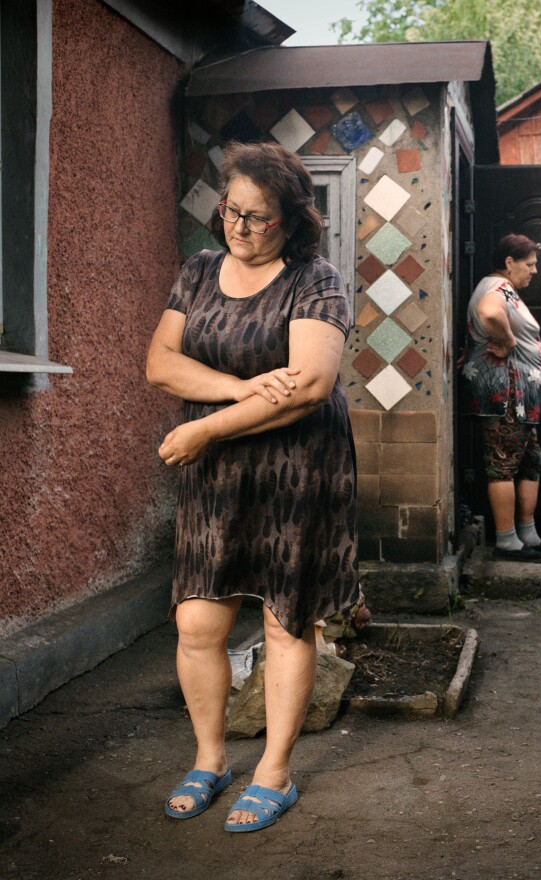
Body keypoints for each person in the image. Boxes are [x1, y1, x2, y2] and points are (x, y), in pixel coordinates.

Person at [146, 141, 358, 832]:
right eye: (231, 210)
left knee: (285, 618)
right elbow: (160, 363)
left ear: (290, 221)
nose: (238, 226)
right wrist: (239, 389)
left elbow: (310, 385)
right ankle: (209, 760)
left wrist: (206, 427)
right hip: (218, 475)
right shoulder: (199, 271)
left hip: (296, 467)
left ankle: (274, 772)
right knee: (197, 622)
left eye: (258, 217)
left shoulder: (316, 280)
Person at [462, 233, 541, 562]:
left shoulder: (504, 289)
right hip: (506, 397)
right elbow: (489, 313)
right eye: (529, 264)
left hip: (522, 400)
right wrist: (508, 341)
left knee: (530, 460)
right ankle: (506, 541)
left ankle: (527, 534)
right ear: (509, 263)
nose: (534, 270)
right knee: (502, 463)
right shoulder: (496, 288)